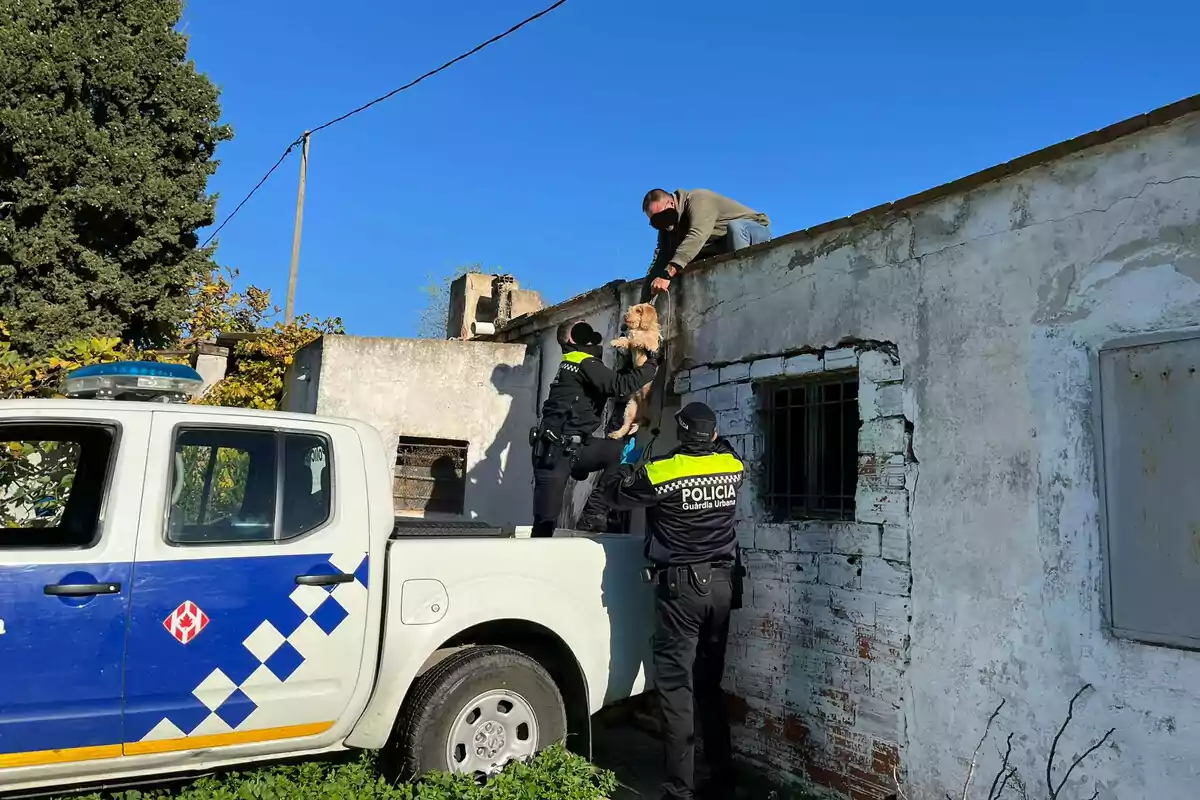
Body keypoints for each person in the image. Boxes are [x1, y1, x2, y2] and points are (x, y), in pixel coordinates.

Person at [599, 402, 744, 800]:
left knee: (677, 688)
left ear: (680, 435)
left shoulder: (664, 470)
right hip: (723, 586)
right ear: (713, 435)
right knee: (709, 686)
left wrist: (622, 456)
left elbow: (615, 495)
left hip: (682, 590)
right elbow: (727, 448)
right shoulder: (732, 467)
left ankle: (680, 790)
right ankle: (722, 777)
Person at [530, 319, 659, 537]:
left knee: (619, 453)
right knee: (545, 521)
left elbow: (613, 381)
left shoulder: (575, 363)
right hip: (555, 451)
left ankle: (593, 515)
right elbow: (619, 385)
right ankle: (536, 562)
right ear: (573, 338)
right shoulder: (583, 362)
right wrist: (652, 362)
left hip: (573, 447)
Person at [641, 188, 771, 302]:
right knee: (685, 257)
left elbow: (697, 235)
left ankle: (745, 286)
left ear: (671, 203)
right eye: (655, 222)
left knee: (735, 228)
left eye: (661, 215)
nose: (661, 223)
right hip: (723, 247)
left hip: (753, 234)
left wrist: (667, 274)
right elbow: (660, 259)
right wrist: (642, 303)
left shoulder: (699, 199)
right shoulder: (668, 229)